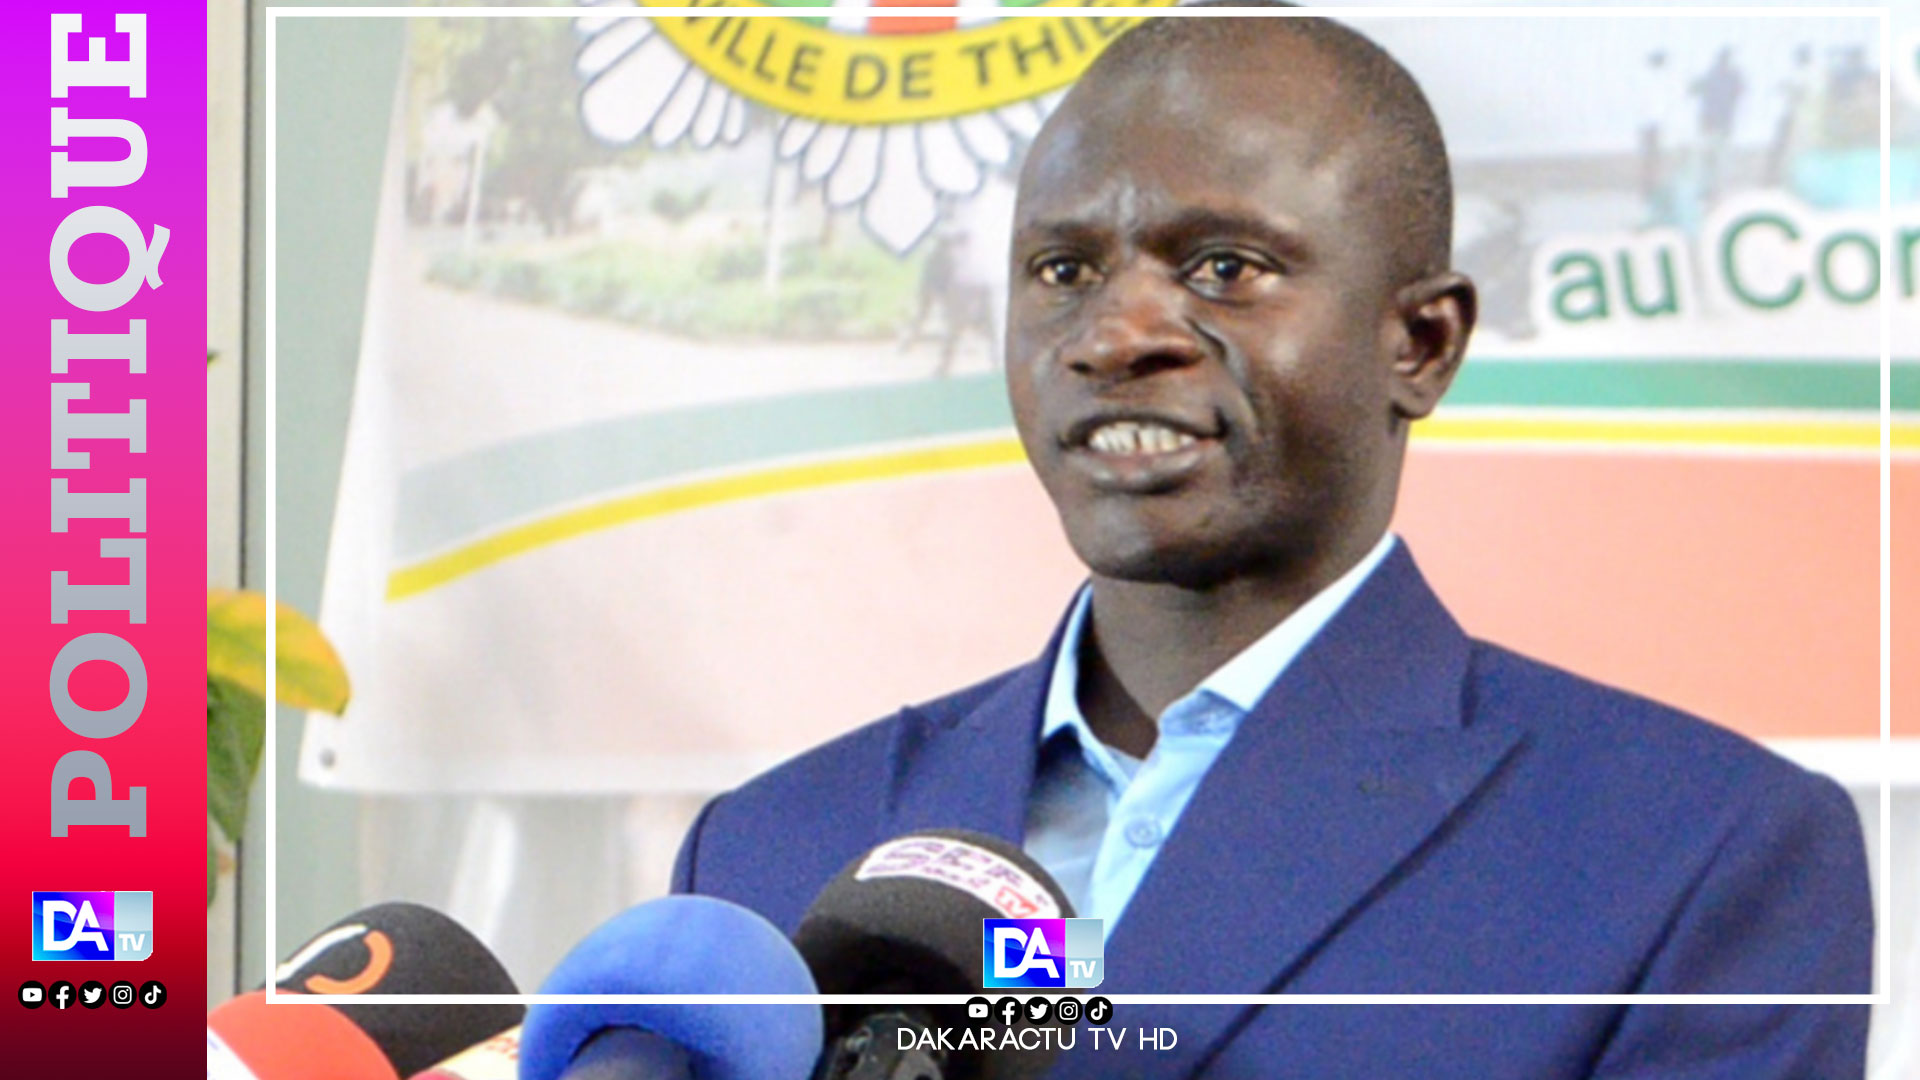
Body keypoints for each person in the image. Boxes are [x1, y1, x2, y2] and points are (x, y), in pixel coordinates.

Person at [671, 16, 1872, 1077]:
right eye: (1063, 269)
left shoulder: (1699, 852)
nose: (1114, 336)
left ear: (1421, 344)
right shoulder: (768, 850)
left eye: (1223, 269)